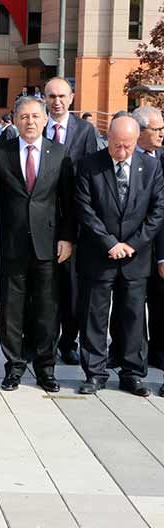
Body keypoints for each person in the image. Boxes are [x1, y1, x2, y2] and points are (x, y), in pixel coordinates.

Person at [74, 115, 164, 396]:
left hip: (136, 258)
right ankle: (94, 373)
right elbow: (84, 209)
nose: (121, 151)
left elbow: (157, 210)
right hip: (99, 255)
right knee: (94, 317)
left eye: (127, 146)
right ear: (107, 138)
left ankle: (132, 373)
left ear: (136, 142)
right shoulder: (90, 165)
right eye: (115, 145)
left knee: (134, 317)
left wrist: (133, 244)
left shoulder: (150, 167)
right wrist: (110, 243)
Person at [0, 96, 75, 392]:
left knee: (47, 309)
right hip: (11, 244)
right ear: (14, 120)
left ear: (44, 121)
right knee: (11, 310)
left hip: (48, 244)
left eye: (35, 117)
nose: (29, 122)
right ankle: (14, 366)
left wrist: (67, 237)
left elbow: (68, 201)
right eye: (23, 117)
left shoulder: (60, 154)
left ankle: (45, 367)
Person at [43, 76, 99, 365]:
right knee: (44, 287)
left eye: (62, 96)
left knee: (72, 289)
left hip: (74, 221)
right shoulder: (37, 125)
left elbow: (91, 174)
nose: (57, 101)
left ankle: (68, 342)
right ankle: (43, 342)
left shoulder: (85, 131)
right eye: (51, 96)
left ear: (72, 98)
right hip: (42, 219)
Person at [130, 106, 164, 376]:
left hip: (158, 247)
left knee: (160, 303)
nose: (162, 134)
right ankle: (128, 353)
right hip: (127, 247)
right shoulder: (122, 154)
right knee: (130, 306)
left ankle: (158, 351)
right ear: (140, 132)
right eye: (157, 130)